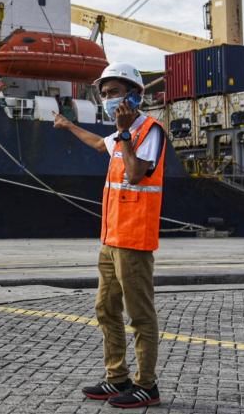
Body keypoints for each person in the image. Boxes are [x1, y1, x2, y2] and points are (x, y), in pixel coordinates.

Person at [53, 62, 166, 409]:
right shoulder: (119, 135)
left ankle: (147, 385)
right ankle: (116, 377)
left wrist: (125, 134)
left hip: (134, 239)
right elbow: (98, 145)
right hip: (112, 237)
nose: (106, 99)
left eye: (113, 92)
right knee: (105, 308)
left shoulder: (150, 131)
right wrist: (68, 125)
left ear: (134, 95)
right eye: (103, 94)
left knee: (140, 315)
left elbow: (134, 175)